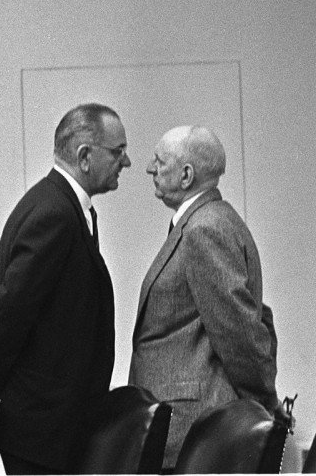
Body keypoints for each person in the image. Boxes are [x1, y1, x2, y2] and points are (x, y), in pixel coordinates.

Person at [0, 103, 132, 474]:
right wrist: (0, 393)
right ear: (84, 156)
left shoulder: (56, 204)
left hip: (48, 427)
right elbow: (6, 317)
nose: (126, 163)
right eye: (118, 151)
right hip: (42, 433)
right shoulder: (55, 214)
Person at [130, 125, 284, 469]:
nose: (149, 168)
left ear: (186, 175)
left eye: (160, 161)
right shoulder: (214, 220)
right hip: (190, 426)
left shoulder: (204, 229)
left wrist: (262, 406)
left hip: (191, 429)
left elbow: (239, 331)